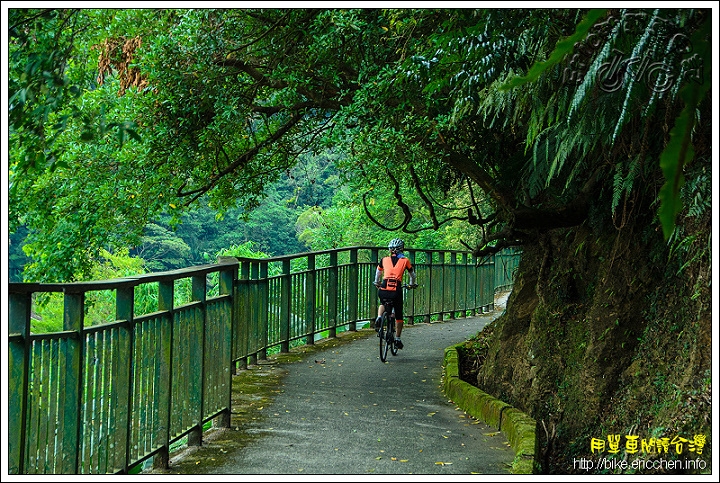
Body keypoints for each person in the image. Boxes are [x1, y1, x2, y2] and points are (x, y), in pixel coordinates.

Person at [373, 238, 417, 350]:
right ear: (402, 249)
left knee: (383, 302)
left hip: (383, 288)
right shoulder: (405, 261)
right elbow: (413, 275)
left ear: (390, 250)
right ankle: (397, 338)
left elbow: (378, 273)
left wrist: (377, 283)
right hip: (396, 290)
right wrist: (412, 284)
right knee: (398, 314)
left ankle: (379, 317)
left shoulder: (383, 260)